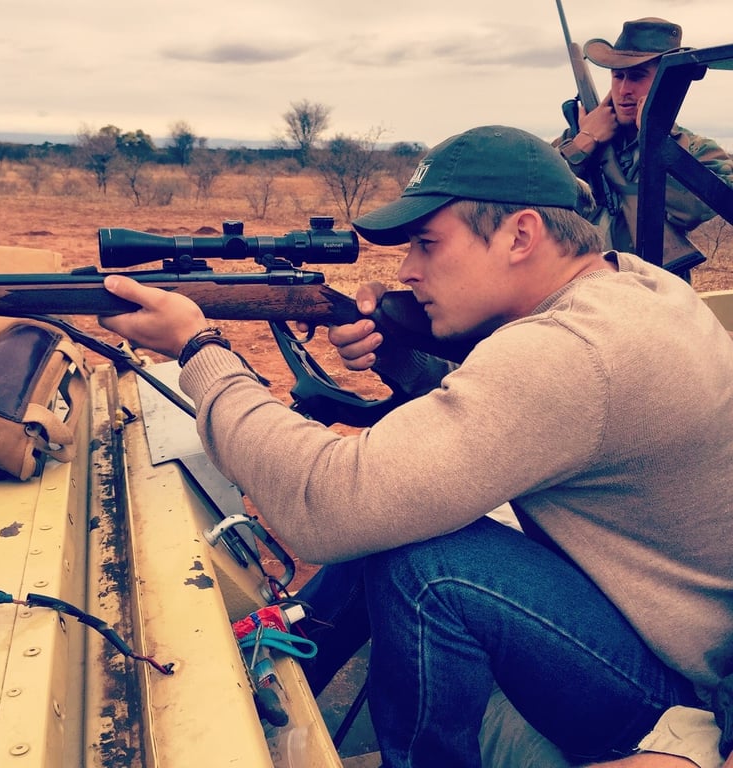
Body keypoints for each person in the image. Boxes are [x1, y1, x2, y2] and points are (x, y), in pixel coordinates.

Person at [98, 125, 733, 768]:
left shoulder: (570, 353)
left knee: (422, 561)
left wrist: (200, 352)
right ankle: (284, 667)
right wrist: (399, 348)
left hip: (677, 691)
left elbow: (327, 502)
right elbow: (508, 409)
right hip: (659, 620)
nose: (407, 270)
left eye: (428, 245)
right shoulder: (639, 286)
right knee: (405, 498)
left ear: (521, 236)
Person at [553, 17, 733, 277]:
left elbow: (696, 208)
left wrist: (658, 139)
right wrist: (585, 141)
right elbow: (532, 193)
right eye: (618, 76)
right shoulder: (576, 139)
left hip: (656, 288)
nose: (623, 89)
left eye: (637, 77)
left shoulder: (695, 149)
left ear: (666, 82)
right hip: (586, 287)